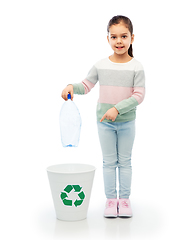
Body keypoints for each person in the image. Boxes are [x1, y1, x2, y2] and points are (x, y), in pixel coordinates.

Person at [61, 15, 145, 218]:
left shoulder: (136, 67)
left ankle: (124, 200)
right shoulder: (100, 65)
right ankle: (111, 200)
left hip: (126, 123)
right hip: (104, 124)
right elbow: (87, 85)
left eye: (123, 36)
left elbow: (139, 95)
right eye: (114, 37)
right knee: (109, 162)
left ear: (132, 38)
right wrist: (72, 86)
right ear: (107, 39)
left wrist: (117, 109)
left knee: (124, 161)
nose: (119, 41)